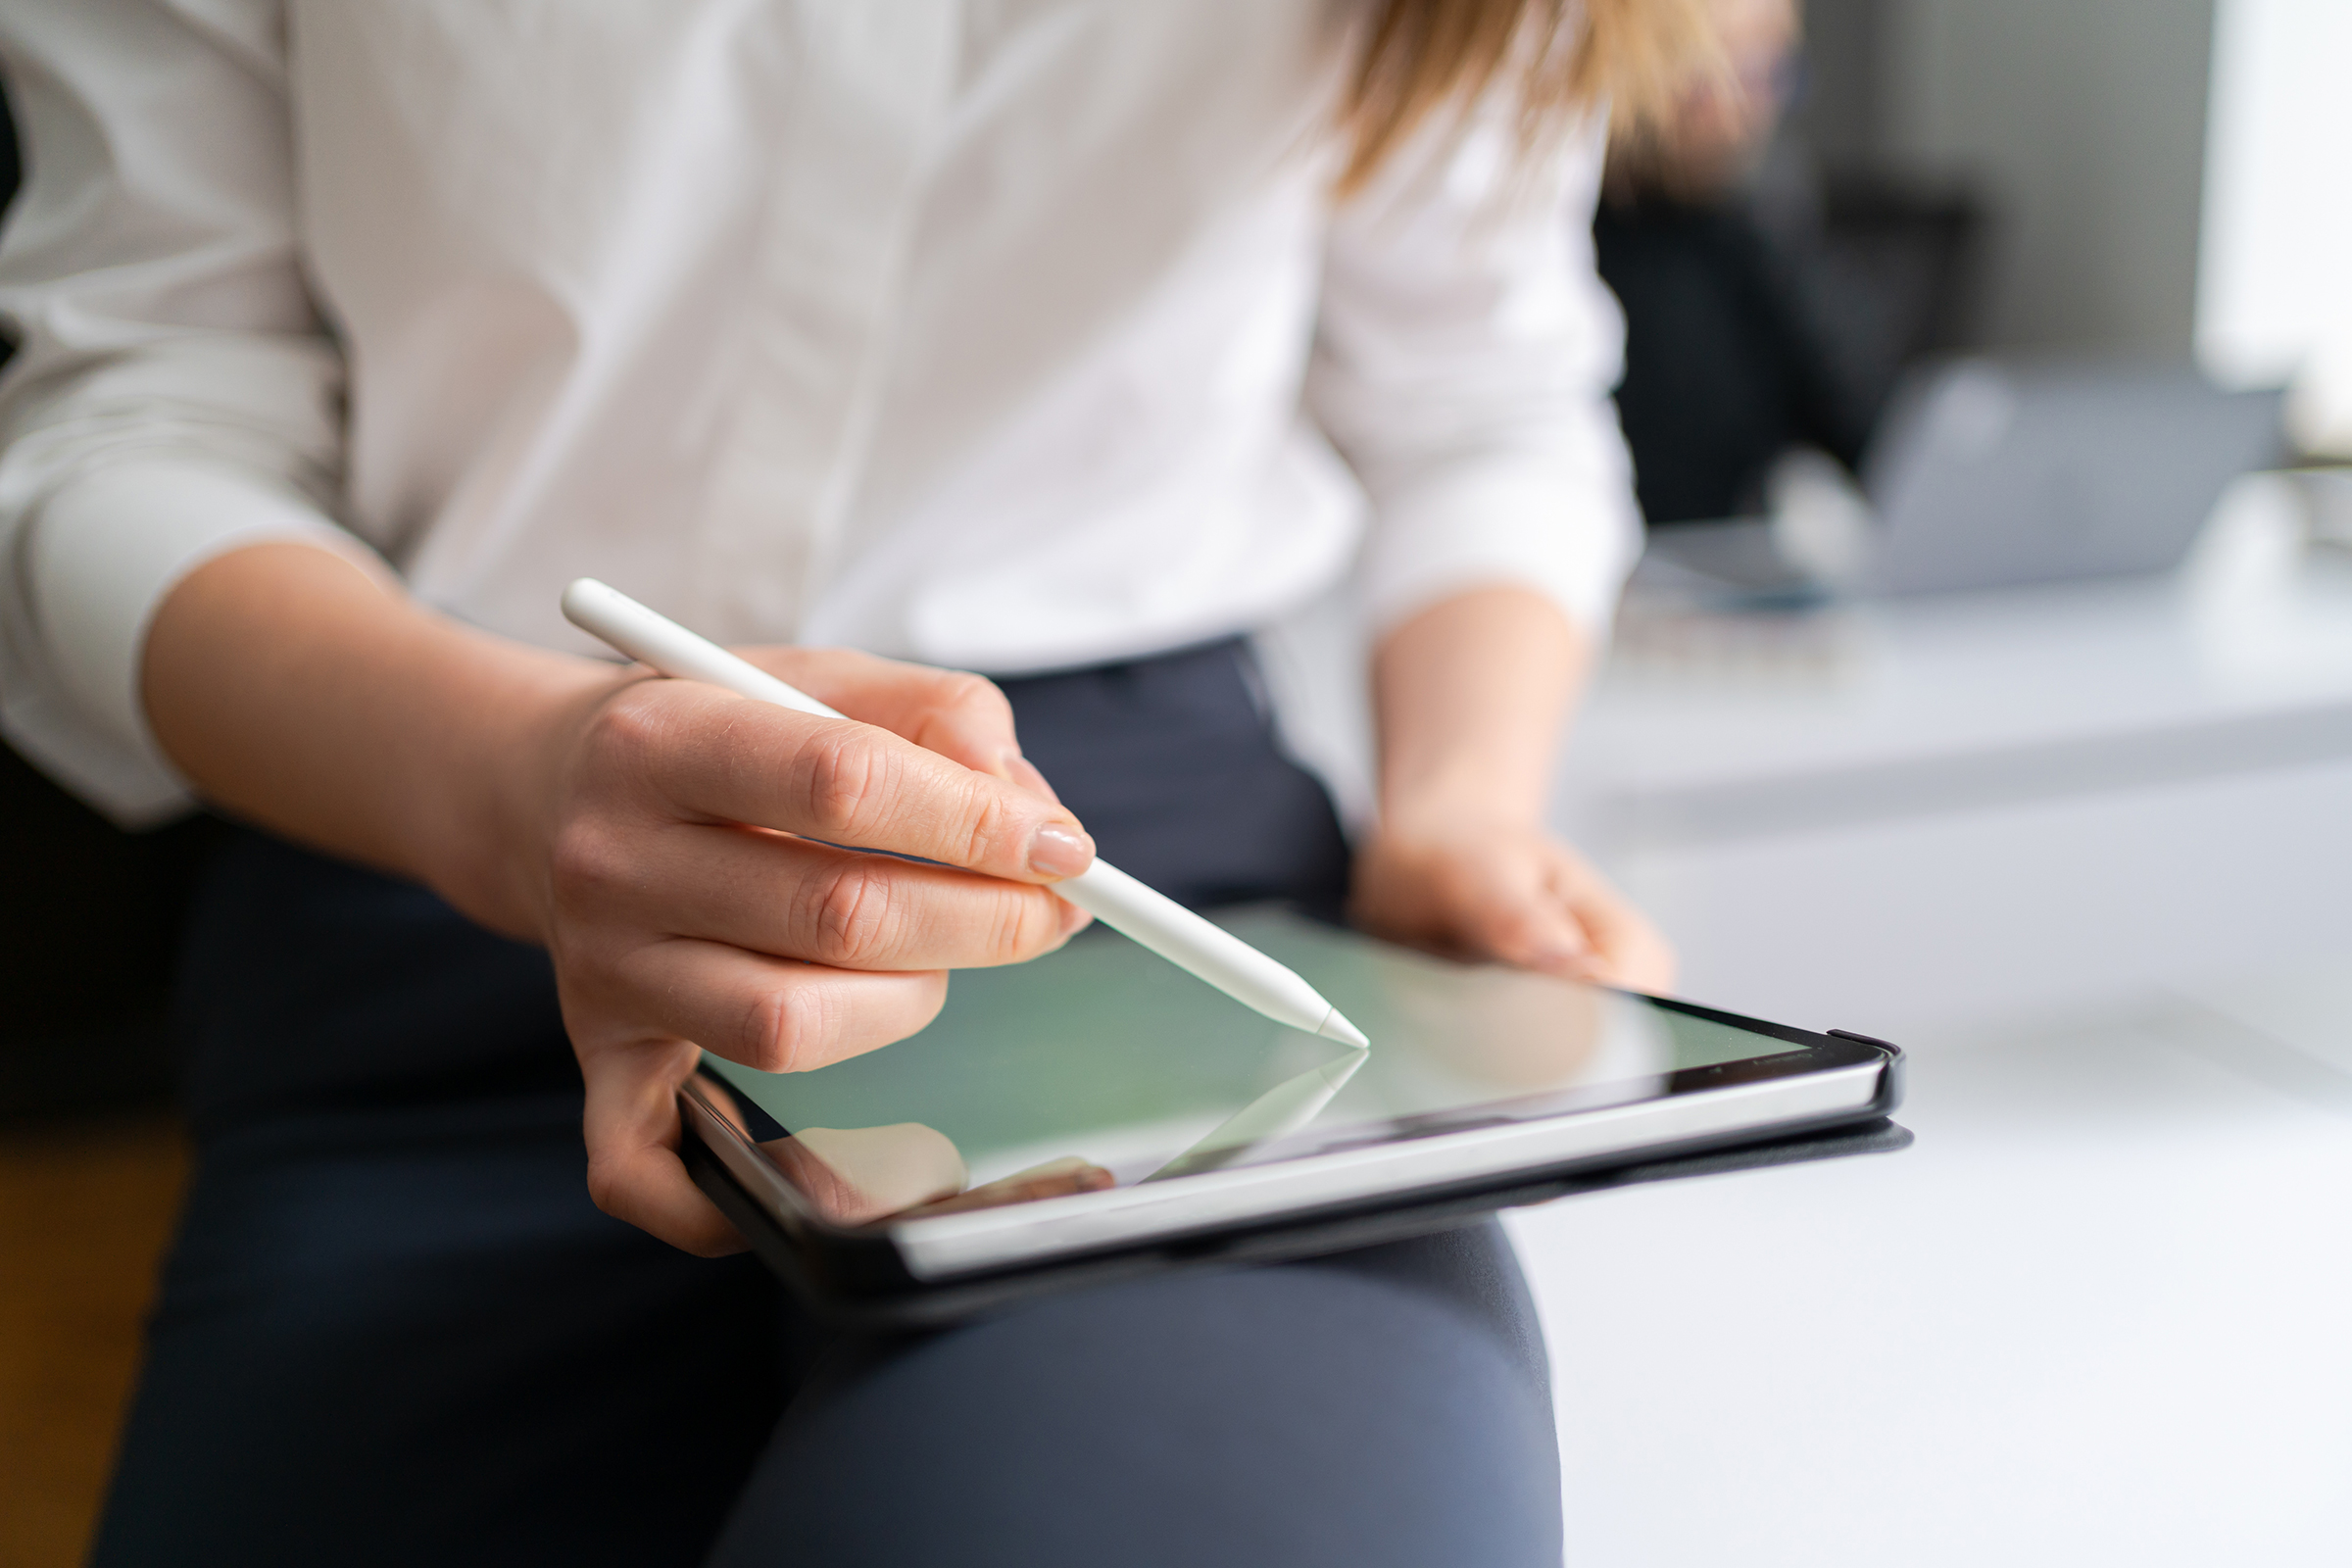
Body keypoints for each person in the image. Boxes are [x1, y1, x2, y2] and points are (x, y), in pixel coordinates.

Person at [0, 2, 1704, 1563]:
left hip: (1154, 928)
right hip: (442, 851)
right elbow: (131, 422)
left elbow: (1483, 400)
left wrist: (1464, 804)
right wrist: (512, 782)